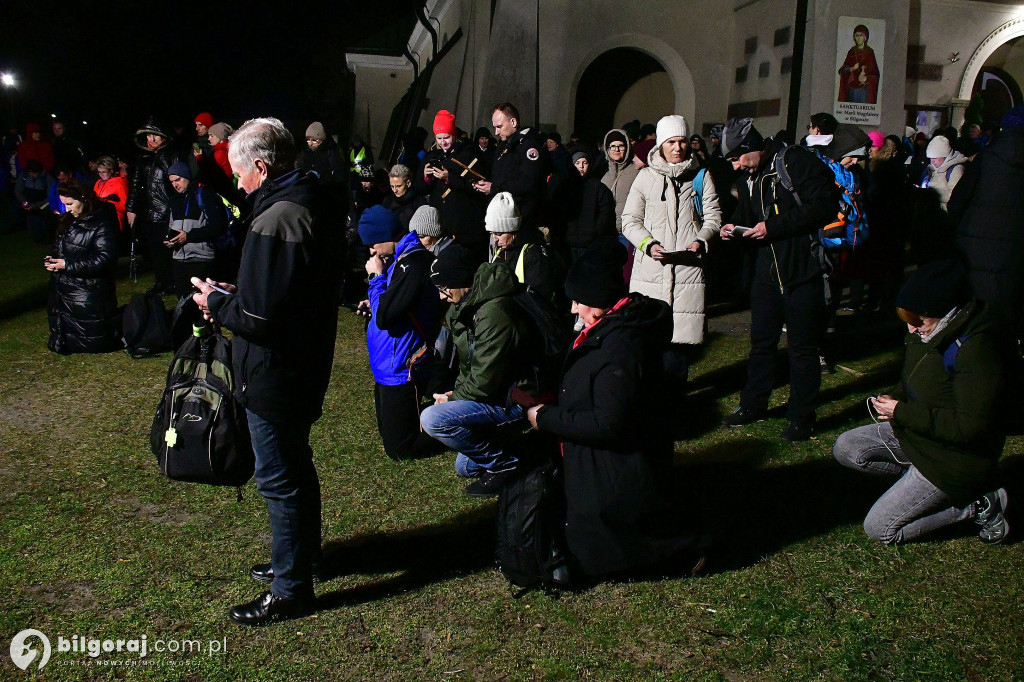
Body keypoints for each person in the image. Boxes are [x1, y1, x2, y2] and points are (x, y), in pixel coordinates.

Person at [191, 117, 339, 625]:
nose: (237, 183)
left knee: (279, 478)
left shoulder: (279, 215)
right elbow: (282, 295)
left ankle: (291, 587)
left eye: (240, 173)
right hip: (300, 361)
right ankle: (301, 559)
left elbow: (261, 317)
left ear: (261, 165)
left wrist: (215, 302)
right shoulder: (308, 200)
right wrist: (240, 294)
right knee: (294, 466)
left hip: (278, 369)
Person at [525, 241, 703, 578]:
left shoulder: (620, 348)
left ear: (598, 302)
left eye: (578, 301)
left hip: (616, 472)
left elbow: (609, 423)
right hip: (600, 463)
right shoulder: (606, 331)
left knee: (594, 557)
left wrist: (545, 418)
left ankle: (675, 554)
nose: (573, 309)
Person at [833, 260, 1010, 545]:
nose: (912, 329)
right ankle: (918, 487)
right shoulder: (928, 332)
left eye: (918, 322)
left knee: (880, 529)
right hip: (917, 437)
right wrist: (897, 397)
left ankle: (976, 504)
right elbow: (913, 378)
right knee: (848, 447)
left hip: (953, 459)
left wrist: (902, 412)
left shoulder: (977, 351)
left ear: (946, 313)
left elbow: (969, 428)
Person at [719, 117, 836, 441]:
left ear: (752, 148)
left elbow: (823, 206)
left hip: (801, 271)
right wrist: (733, 227)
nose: (735, 166)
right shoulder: (749, 176)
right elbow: (749, 217)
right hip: (766, 273)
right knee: (761, 344)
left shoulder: (794, 161)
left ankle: (801, 417)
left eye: (737, 158)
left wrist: (774, 227)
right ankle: (753, 405)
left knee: (802, 349)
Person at [420, 246, 540, 497]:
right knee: (466, 467)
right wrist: (456, 395)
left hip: (515, 398)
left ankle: (505, 465)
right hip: (494, 392)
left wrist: (453, 400)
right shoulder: (466, 306)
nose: (441, 296)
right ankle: (525, 447)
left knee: (433, 419)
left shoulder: (495, 313)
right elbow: (469, 366)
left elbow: (485, 378)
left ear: (462, 282)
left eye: (444, 288)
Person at [621, 115, 722, 397]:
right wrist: (648, 244)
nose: (677, 148)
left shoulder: (701, 176)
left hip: (687, 273)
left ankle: (674, 403)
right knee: (648, 347)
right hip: (651, 274)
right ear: (661, 145)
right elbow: (629, 220)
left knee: (678, 351)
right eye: (671, 142)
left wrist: (701, 240)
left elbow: (713, 218)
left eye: (682, 141)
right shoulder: (645, 178)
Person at [356, 205, 444, 461]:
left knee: (400, 449)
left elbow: (385, 317)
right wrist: (374, 301)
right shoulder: (399, 260)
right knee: (389, 434)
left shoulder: (412, 262)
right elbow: (391, 305)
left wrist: (375, 278)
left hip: (402, 367)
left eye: (372, 244)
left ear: (386, 235)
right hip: (386, 365)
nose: (371, 251)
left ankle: (458, 426)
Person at [950, 105, 1024, 339]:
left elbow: (957, 201)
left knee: (972, 320)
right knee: (1006, 325)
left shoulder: (987, 157)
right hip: (1015, 255)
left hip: (974, 250)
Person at [44, 179, 121, 354]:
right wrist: (52, 259)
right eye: (64, 204)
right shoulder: (68, 221)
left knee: (92, 339)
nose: (67, 209)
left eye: (70, 204)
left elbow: (104, 259)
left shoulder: (101, 223)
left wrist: (67, 265)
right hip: (65, 290)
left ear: (83, 199)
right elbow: (58, 246)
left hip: (88, 291)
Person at [415, 110, 490, 259]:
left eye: (447, 137)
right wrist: (426, 178)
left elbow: (477, 187)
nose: (443, 142)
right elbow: (419, 189)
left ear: (454, 135)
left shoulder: (469, 154)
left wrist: (449, 178)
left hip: (466, 226)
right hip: (442, 227)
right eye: (439, 138)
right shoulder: (432, 156)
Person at [126, 116, 183, 295]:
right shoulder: (143, 158)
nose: (151, 139)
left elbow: (174, 177)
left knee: (168, 249)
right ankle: (160, 281)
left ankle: (172, 282)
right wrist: (130, 209)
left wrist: (161, 155)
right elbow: (135, 185)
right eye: (148, 135)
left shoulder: (172, 154)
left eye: (155, 135)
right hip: (147, 212)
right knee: (153, 250)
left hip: (166, 211)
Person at [472, 103, 548, 231]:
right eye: (495, 127)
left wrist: (495, 188)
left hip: (520, 218)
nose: (496, 132)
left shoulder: (528, 146)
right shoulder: (503, 146)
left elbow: (529, 182)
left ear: (513, 122)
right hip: (501, 215)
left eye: (499, 127)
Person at [164, 161, 228, 298]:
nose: (175, 184)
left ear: (187, 176)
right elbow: (170, 226)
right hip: (179, 259)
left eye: (178, 179)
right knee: (182, 301)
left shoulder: (204, 194)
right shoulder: (173, 200)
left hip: (201, 259)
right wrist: (169, 240)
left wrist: (189, 236)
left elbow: (218, 226)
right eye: (172, 182)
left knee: (203, 300)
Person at [487, 192, 557, 301]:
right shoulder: (502, 249)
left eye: (499, 233)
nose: (495, 239)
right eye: (491, 233)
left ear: (513, 229)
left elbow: (540, 296)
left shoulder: (533, 253)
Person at [15, 160, 56, 243]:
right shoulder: (24, 176)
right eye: (30, 173)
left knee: (47, 220)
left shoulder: (47, 178)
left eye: (34, 173)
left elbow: (51, 197)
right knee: (34, 228)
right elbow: (18, 190)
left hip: (43, 205)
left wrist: (37, 205)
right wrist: (23, 201)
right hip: (30, 204)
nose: (32, 175)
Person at [921, 135, 965, 211]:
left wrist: (930, 188)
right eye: (930, 158)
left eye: (935, 158)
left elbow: (952, 196)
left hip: (945, 213)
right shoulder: (930, 169)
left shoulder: (956, 169)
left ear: (945, 156)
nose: (932, 161)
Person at [837, 24, 879, 104]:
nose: (859, 38)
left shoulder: (869, 53)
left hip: (864, 89)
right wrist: (851, 69)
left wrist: (866, 78)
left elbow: (875, 73)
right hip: (852, 88)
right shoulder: (851, 52)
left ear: (865, 37)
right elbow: (842, 70)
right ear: (854, 38)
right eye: (856, 35)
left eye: (861, 35)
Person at [382, 164, 427, 230]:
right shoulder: (388, 201)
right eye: (392, 186)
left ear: (408, 183)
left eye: (398, 186)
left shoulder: (419, 202)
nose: (394, 190)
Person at [93, 155, 129, 233]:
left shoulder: (119, 182)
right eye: (99, 172)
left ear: (111, 171)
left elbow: (125, 206)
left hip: (114, 219)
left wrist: (106, 201)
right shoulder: (98, 182)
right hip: (100, 218)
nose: (101, 174)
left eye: (104, 172)